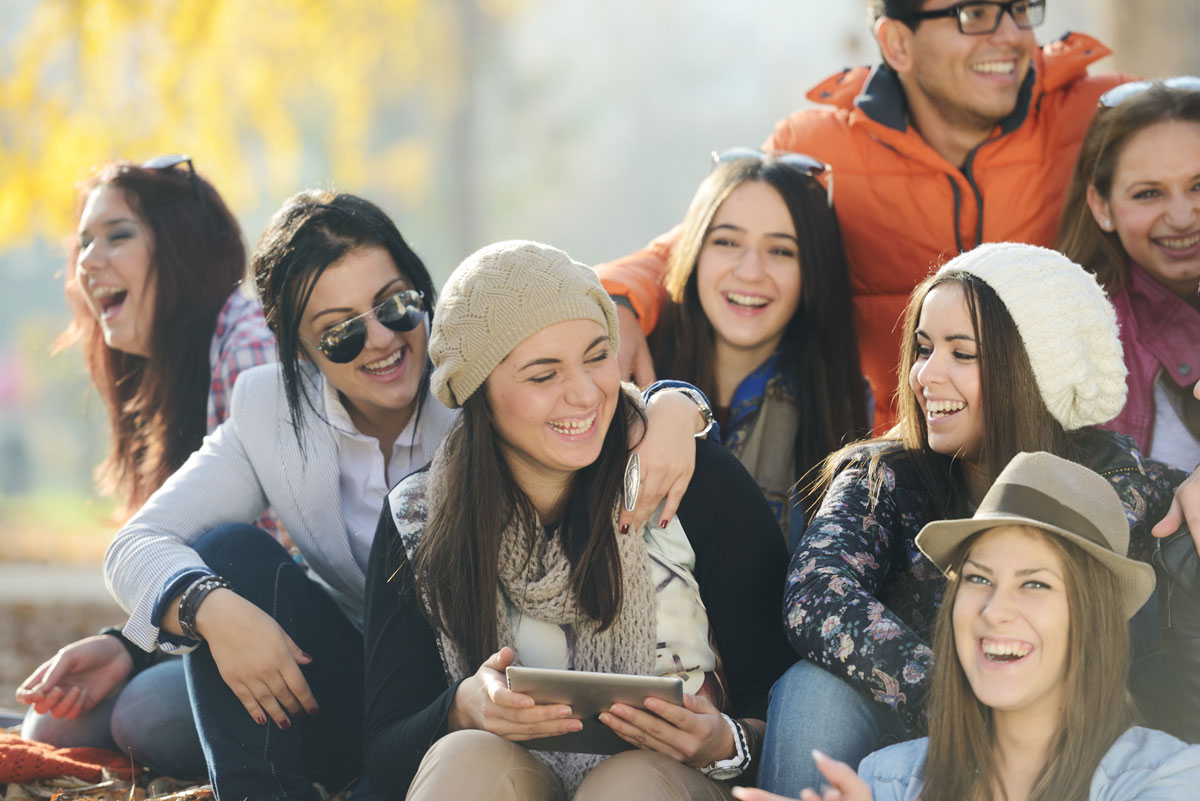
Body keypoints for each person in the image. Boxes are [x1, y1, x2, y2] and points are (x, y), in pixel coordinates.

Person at [101, 194, 707, 800]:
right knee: (224, 565)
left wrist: (674, 404)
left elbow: (587, 387)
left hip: (462, 690)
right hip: (337, 676)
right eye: (338, 333)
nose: (379, 341)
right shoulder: (270, 412)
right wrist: (211, 606)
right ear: (300, 351)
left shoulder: (483, 396)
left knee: (152, 713)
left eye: (395, 306)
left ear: (424, 294)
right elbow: (134, 545)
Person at [760, 242, 1200, 796]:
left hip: (1072, 742)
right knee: (812, 689)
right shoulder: (884, 478)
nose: (926, 375)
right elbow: (816, 597)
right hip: (920, 735)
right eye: (923, 349)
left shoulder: (1118, 477)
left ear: (1034, 366)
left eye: (962, 354)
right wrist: (959, 695)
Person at [361, 240, 796, 800]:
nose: (586, 393)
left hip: (672, 787)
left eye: (597, 356)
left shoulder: (689, 480)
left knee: (629, 784)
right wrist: (460, 709)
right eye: (543, 375)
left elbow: (789, 708)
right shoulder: (421, 518)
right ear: (478, 394)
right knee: (465, 756)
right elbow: (385, 754)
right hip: (509, 783)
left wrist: (723, 742)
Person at [597, 0, 1132, 430]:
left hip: (1055, 454)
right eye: (974, 14)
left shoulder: (1099, 114)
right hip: (899, 463)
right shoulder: (821, 147)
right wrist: (618, 300)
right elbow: (710, 239)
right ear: (898, 42)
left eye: (1021, 9)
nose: (1012, 36)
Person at [734, 451, 1200, 801]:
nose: (994, 610)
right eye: (978, 579)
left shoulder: (1165, 779)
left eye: (1035, 585)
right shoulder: (886, 781)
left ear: (1095, 622)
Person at [17, 157, 274, 777]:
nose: (87, 261)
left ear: (182, 245)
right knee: (50, 723)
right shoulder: (162, 371)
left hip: (294, 640)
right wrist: (126, 645)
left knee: (145, 717)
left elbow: (260, 562)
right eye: (82, 242)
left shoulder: (249, 348)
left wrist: (140, 651)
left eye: (118, 234)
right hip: (211, 628)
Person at [649, 151, 868, 535]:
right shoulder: (630, 369)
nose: (750, 272)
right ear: (695, 252)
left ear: (813, 271)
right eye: (727, 242)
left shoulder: (848, 409)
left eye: (781, 250)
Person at [1056, 77, 1200, 473]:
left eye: (1199, 185)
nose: (1182, 217)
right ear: (1101, 206)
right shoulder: (1070, 339)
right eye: (1148, 193)